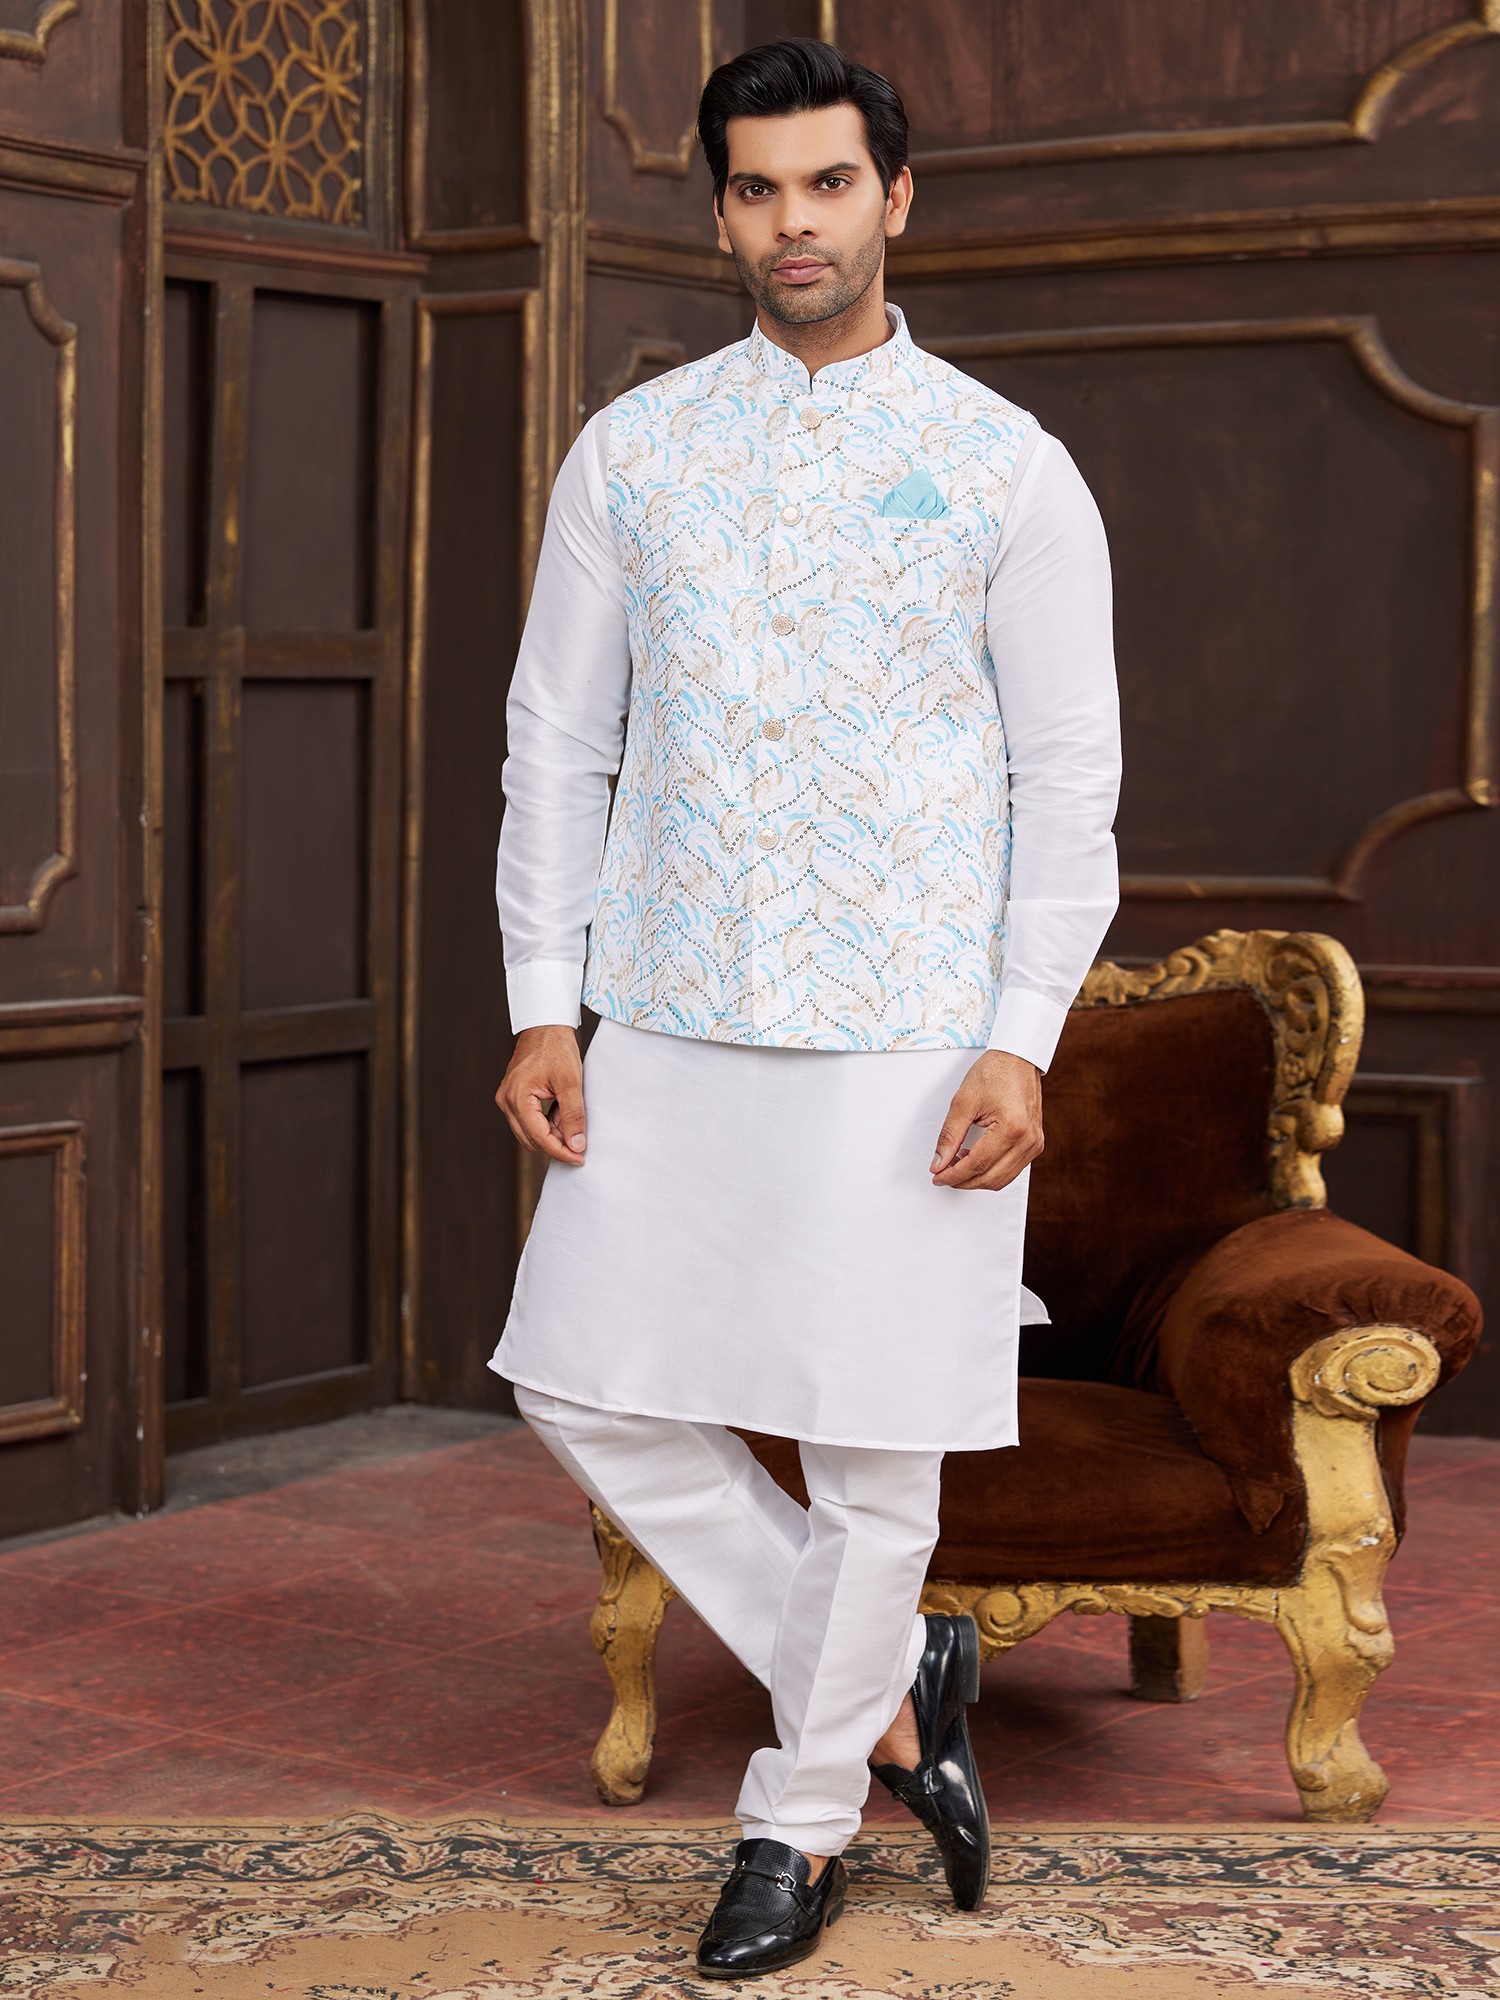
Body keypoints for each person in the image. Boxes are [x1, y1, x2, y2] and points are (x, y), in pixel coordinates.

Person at [490, 36, 1121, 1981]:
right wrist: (543, 1002)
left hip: (910, 1037)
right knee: (577, 1380)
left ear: (893, 197)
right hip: (672, 1011)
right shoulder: (635, 452)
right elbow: (556, 740)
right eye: (758, 189)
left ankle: (801, 1818)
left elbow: (1069, 777)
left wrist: (1021, 1033)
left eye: (828, 184)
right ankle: (895, 1686)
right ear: (720, 212)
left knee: (872, 1452)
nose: (794, 224)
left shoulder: (1008, 466)